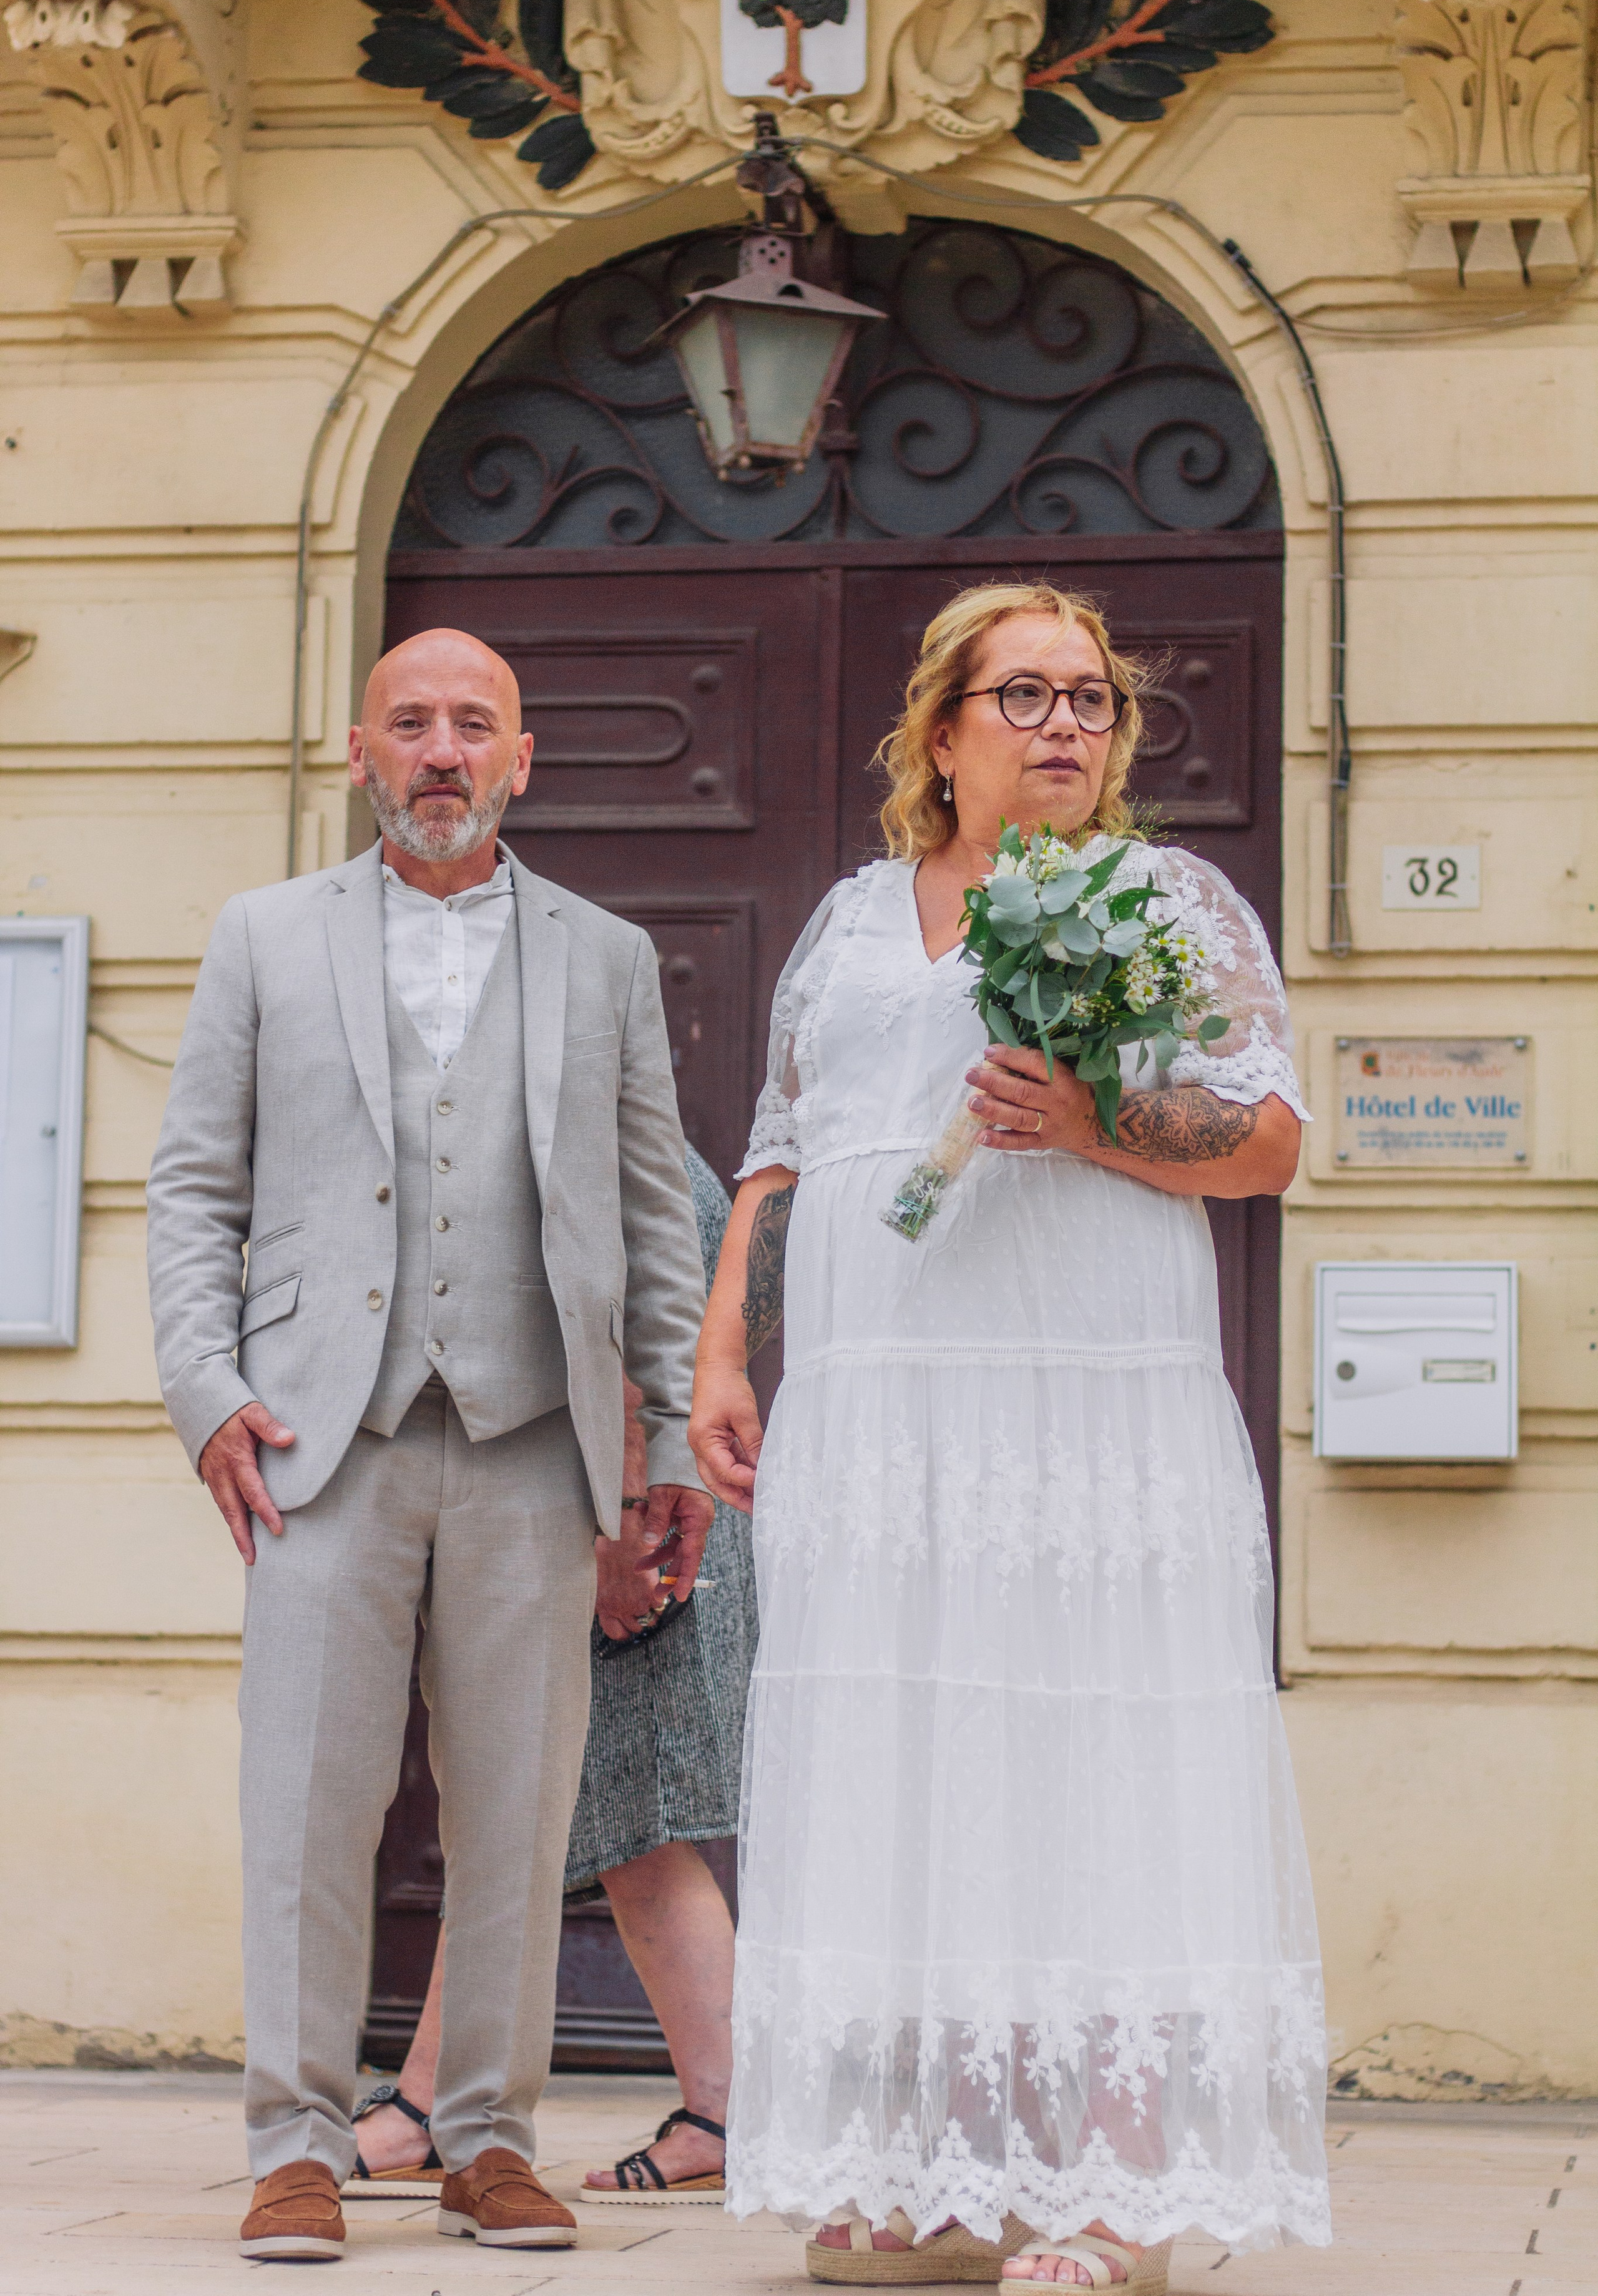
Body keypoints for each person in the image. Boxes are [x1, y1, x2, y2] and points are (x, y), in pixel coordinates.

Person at [690, 584, 1332, 2289]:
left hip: (1079, 1402)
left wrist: (1097, 1116)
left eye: (1094, 700)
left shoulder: (1169, 900)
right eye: (1027, 694)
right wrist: (728, 1347)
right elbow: (783, 1136)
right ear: (942, 730)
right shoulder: (845, 918)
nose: (1066, 725)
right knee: (909, 1763)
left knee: (1088, 1758)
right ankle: (931, 2177)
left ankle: (1118, 2196)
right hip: (884, 1405)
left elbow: (1266, 1140)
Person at [145, 627, 713, 2263]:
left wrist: (667, 1435)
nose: (444, 749)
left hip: (538, 1441)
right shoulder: (264, 940)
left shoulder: (606, 956)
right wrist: (206, 1391)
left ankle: (488, 2141)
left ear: (523, 758)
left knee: (521, 1816)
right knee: (308, 1807)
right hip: (325, 1434)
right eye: (414, 723)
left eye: (475, 724)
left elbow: (654, 1228)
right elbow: (195, 1191)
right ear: (361, 751)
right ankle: (296, 2147)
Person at [350, 1145, 756, 2206]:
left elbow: (635, 1347)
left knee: (612, 1818)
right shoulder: (626, 1135)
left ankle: (720, 2105)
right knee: (574, 1816)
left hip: (639, 1526)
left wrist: (623, 1533)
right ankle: (447, 2099)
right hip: (636, 1515)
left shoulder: (607, 1147)